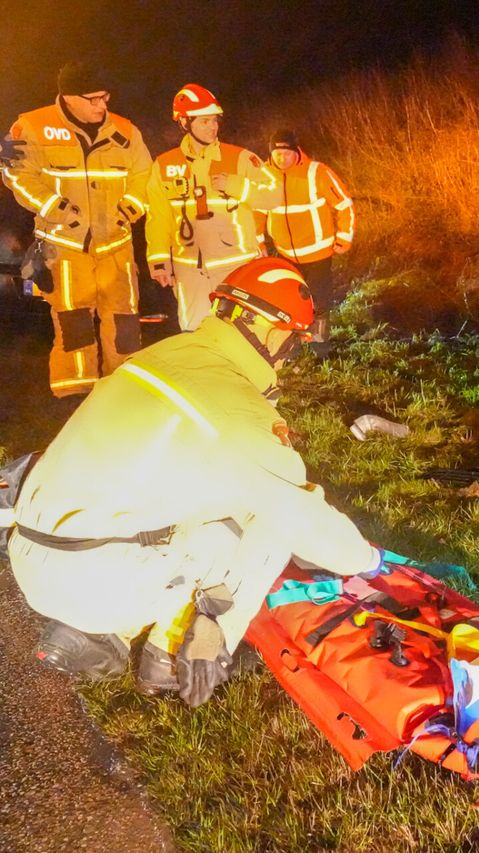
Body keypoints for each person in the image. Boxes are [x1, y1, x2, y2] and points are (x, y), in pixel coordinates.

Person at [5, 257, 386, 707]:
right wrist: (366, 562)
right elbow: (300, 515)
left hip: (33, 558)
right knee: (266, 522)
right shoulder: (234, 406)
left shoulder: (160, 358)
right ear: (275, 331)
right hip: (98, 580)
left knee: (196, 498)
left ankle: (107, 632)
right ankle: (181, 652)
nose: (291, 354)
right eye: (294, 342)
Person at [1, 63, 152, 398]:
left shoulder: (126, 131)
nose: (102, 105)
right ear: (69, 97)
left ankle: (126, 393)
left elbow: (145, 175)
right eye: (94, 98)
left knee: (125, 324)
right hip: (66, 248)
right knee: (75, 326)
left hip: (117, 246)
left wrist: (130, 208)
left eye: (106, 97)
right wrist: (54, 208)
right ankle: (75, 397)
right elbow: (16, 175)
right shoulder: (33, 126)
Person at [146, 84, 281, 331]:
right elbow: (158, 217)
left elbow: (275, 195)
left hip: (236, 267)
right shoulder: (164, 165)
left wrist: (238, 186)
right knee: (195, 333)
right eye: (205, 121)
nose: (213, 127)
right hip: (189, 272)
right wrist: (158, 260)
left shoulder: (240, 158)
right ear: (185, 122)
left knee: (243, 333)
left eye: (215, 121)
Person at [255, 129, 354, 346]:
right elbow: (257, 212)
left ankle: (319, 344)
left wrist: (344, 238)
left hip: (318, 252)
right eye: (277, 154)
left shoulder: (317, 172)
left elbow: (344, 204)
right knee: (289, 300)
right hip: (284, 254)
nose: (282, 159)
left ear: (297, 152)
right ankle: (292, 343)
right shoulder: (263, 175)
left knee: (318, 301)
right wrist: (258, 242)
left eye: (287, 153)